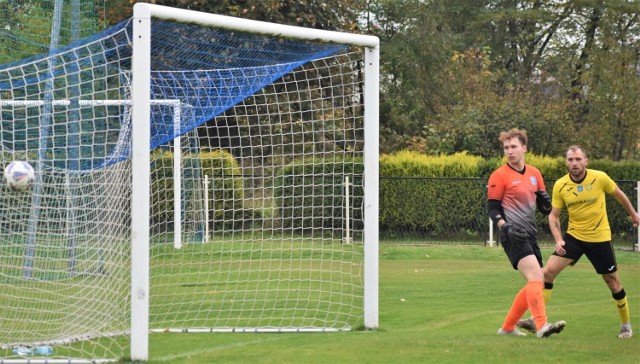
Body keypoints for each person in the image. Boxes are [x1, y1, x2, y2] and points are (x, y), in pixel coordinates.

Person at [517, 145, 639, 339]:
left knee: (613, 282)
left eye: (578, 159)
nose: (574, 163)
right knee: (547, 273)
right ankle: (536, 319)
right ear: (566, 162)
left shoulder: (599, 178)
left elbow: (619, 194)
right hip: (574, 237)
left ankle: (626, 325)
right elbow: (553, 216)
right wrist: (558, 240)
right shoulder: (561, 185)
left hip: (600, 238)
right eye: (571, 160)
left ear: (586, 161)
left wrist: (633, 214)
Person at [487, 128, 566, 338]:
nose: (509, 151)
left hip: (530, 234)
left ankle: (507, 328)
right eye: (506, 148)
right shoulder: (499, 175)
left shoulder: (534, 173)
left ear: (524, 148)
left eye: (513, 147)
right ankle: (541, 326)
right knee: (535, 276)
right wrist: (505, 227)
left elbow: (544, 208)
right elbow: (492, 209)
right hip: (511, 234)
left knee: (537, 280)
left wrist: (547, 204)